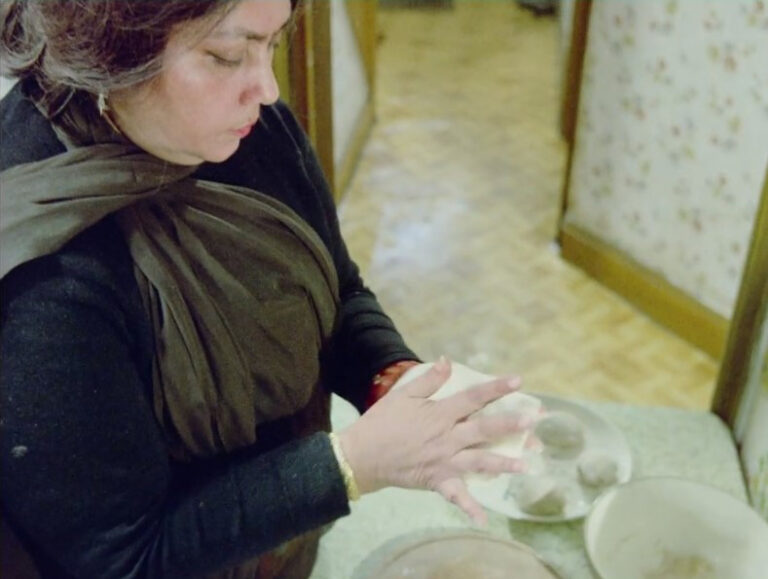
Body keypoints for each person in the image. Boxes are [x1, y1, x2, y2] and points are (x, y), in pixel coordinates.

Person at [0, 1, 530, 577]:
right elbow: (124, 558)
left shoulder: (247, 131)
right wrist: (348, 465)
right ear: (111, 50)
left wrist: (391, 379)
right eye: (228, 55)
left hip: (281, 546)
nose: (270, 89)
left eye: (273, 43)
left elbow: (337, 289)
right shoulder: (42, 283)